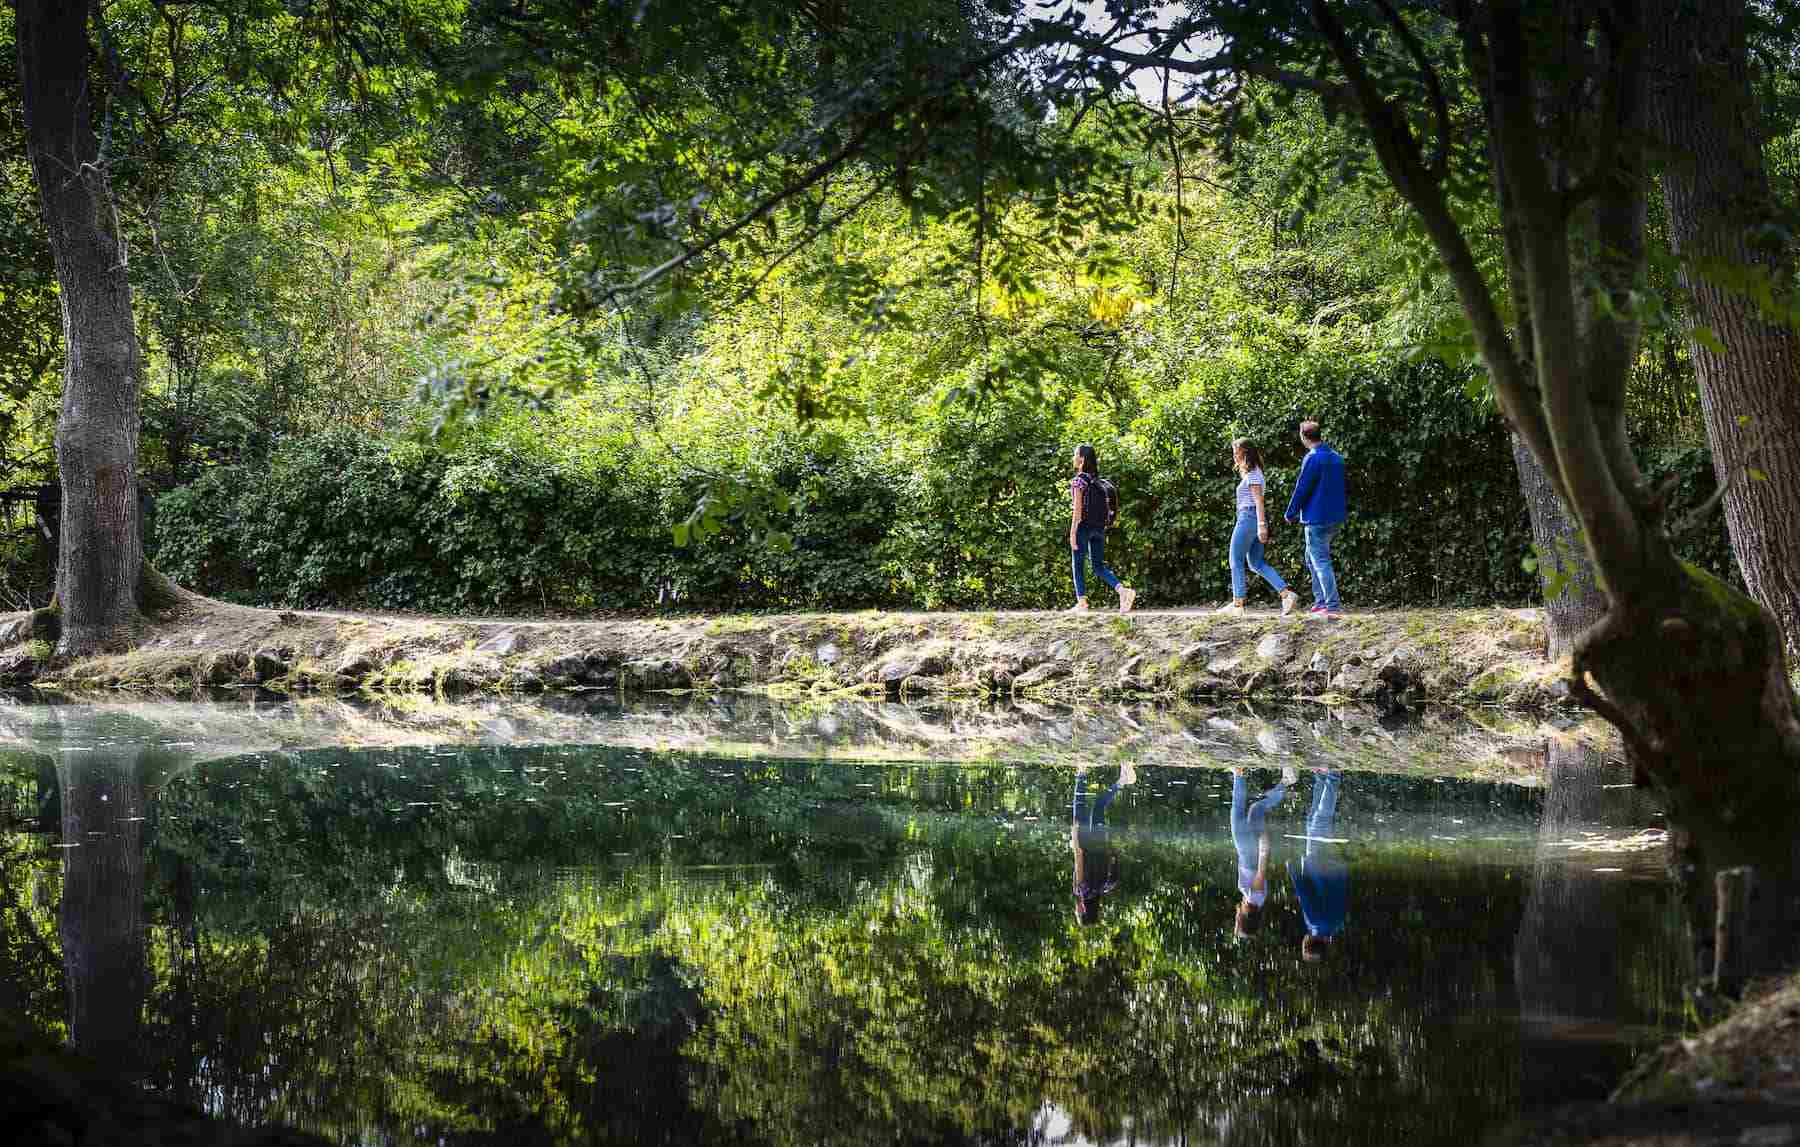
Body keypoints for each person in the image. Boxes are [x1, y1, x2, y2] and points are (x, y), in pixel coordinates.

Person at [1217, 438, 1300, 616]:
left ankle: (1237, 605)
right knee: (1256, 563)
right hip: (1252, 518)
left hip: (1248, 518)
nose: (1233, 455)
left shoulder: (1253, 473)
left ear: (1245, 452)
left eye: (1236, 451)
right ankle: (1286, 595)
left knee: (1235, 559)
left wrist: (1261, 525)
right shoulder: (1252, 472)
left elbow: (1258, 501)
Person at [1283, 421, 1347, 618]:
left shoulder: (1312, 458)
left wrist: (1290, 512)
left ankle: (1332, 605)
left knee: (1320, 560)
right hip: (1335, 517)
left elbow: (1303, 488)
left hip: (1316, 517)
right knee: (1312, 559)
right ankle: (1320, 602)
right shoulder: (1336, 458)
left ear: (1304, 437)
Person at [1068, 444, 1137, 613]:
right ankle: (1123, 591)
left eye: (1075, 454)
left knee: (1077, 564)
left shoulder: (1079, 481)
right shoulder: (1098, 481)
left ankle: (1082, 602)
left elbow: (1077, 510)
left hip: (1083, 527)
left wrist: (1072, 532)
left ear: (1082, 459)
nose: (1074, 457)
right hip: (1098, 528)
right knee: (1098, 566)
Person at [1231, 763, 1297, 938]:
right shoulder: (1254, 897)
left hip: (1249, 852)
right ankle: (1239, 772)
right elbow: (1260, 871)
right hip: (1248, 851)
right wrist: (1263, 847)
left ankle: (1285, 782)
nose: (1235, 917)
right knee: (1237, 811)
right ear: (1243, 917)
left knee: (1256, 809)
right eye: (1237, 920)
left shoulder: (1256, 899)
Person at [1288, 768, 1348, 962]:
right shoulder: (1314, 922)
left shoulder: (1337, 924)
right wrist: (1293, 871)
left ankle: (1320, 777)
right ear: (1307, 942)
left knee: (1311, 823)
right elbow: (1305, 893)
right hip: (1318, 867)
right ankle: (1333, 775)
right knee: (1320, 822)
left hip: (1334, 869)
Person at [1071, 760, 1137, 925]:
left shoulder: (1106, 886)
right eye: (1078, 914)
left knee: (1099, 806)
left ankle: (1123, 780)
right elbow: (1079, 856)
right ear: (1084, 910)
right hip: (1085, 842)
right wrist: (1074, 836)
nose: (1075, 911)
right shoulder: (1080, 890)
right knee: (1080, 808)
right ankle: (1082, 769)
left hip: (1100, 841)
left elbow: (1113, 858)